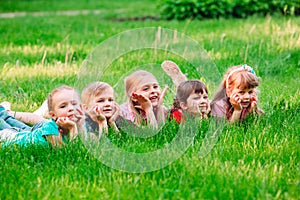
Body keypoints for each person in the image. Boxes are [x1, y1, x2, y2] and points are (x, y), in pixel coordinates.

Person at [0, 85, 85, 147]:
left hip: (29, 133)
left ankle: (2, 111)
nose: (71, 108)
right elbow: (64, 149)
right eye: (63, 106)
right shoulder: (51, 127)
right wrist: (72, 128)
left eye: (74, 104)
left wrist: (80, 124)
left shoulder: (77, 122)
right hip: (12, 138)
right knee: (4, 125)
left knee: (9, 119)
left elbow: (86, 141)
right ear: (53, 115)